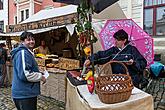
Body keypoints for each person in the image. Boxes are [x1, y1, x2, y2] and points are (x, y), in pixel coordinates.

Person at [11, 31, 46, 110]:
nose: (31, 41)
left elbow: (26, 70)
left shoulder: (26, 52)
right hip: (24, 94)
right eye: (28, 40)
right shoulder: (23, 52)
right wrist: (41, 77)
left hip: (26, 93)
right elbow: (25, 74)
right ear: (22, 41)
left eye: (33, 39)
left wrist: (39, 73)